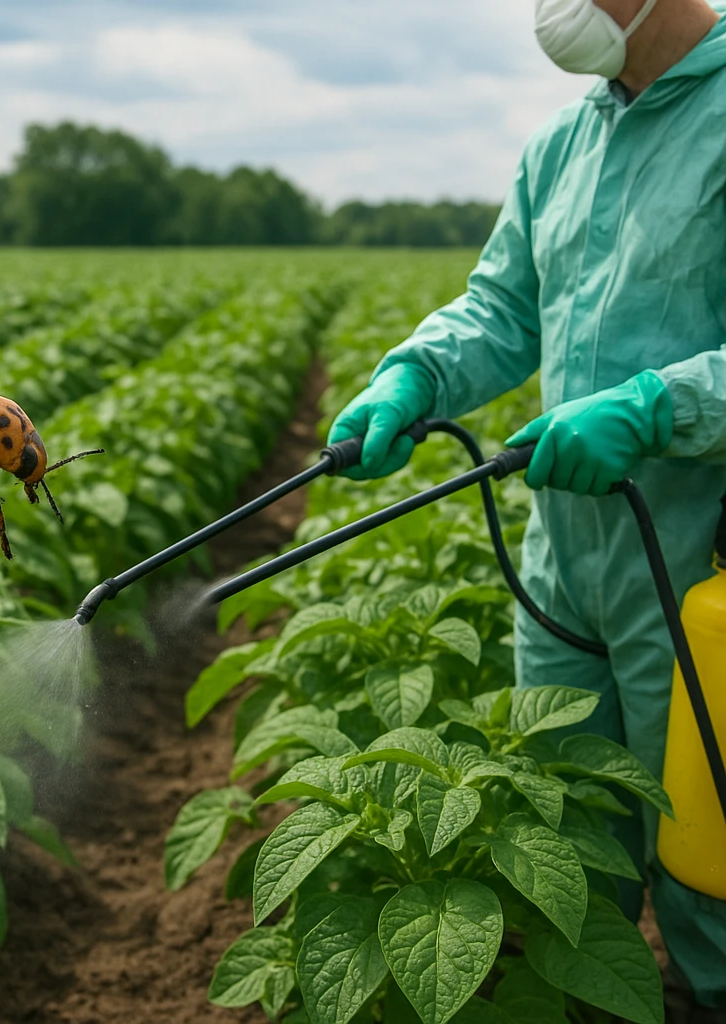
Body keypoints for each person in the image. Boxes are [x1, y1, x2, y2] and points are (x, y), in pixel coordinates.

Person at [328, 0, 726, 1014]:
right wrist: (413, 377)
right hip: (563, 569)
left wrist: (655, 405)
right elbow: (501, 309)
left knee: (711, 858)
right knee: (563, 847)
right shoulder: (560, 144)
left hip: (700, 562)